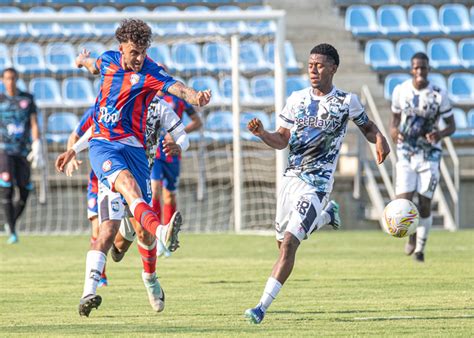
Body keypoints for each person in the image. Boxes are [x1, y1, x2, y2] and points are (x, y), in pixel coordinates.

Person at [55, 18, 211, 317]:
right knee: (110, 222)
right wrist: (81, 61)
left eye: (142, 52)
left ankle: (150, 276)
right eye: (133, 52)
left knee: (139, 235)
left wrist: (196, 97)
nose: (138, 58)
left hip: (137, 154)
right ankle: (89, 292)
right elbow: (93, 65)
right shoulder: (109, 62)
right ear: (121, 48)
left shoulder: (154, 81)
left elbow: (178, 88)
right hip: (105, 146)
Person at [244, 43, 390, 324]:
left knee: (288, 246)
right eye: (310, 64)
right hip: (290, 181)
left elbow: (368, 127)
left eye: (319, 65)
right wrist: (263, 133)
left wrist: (380, 138)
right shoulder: (296, 99)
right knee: (281, 245)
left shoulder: (347, 101)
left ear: (333, 68)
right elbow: (282, 139)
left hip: (316, 184)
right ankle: (325, 217)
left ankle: (260, 307)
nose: (313, 69)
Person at [390, 52, 455, 263]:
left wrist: (440, 134)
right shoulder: (401, 91)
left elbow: (451, 125)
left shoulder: (438, 94)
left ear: (428, 69)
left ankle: (420, 248)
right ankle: (411, 236)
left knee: (425, 202)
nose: (420, 71)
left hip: (429, 154)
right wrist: (393, 132)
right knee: (403, 201)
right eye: (416, 68)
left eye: (423, 68)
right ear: (411, 69)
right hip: (406, 151)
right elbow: (395, 120)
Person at [65, 106, 108, 287]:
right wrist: (71, 156)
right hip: (97, 182)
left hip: (120, 177)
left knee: (119, 237)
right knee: (97, 229)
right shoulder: (94, 112)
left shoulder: (126, 107)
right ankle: (99, 276)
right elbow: (74, 136)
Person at [0, 67, 43, 244]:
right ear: (2, 80)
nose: (10, 81)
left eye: (13, 78)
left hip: (23, 150)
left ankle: (10, 223)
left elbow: (33, 123)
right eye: (7, 79)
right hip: (4, 150)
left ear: (16, 79)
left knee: (25, 190)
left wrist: (37, 143)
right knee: (6, 185)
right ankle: (13, 233)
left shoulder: (27, 98)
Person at [150, 91, 202, 225]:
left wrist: (178, 132)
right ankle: (155, 231)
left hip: (172, 152)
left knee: (169, 194)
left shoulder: (178, 99)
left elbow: (197, 122)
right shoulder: (149, 97)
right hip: (154, 152)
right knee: (154, 189)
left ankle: (168, 232)